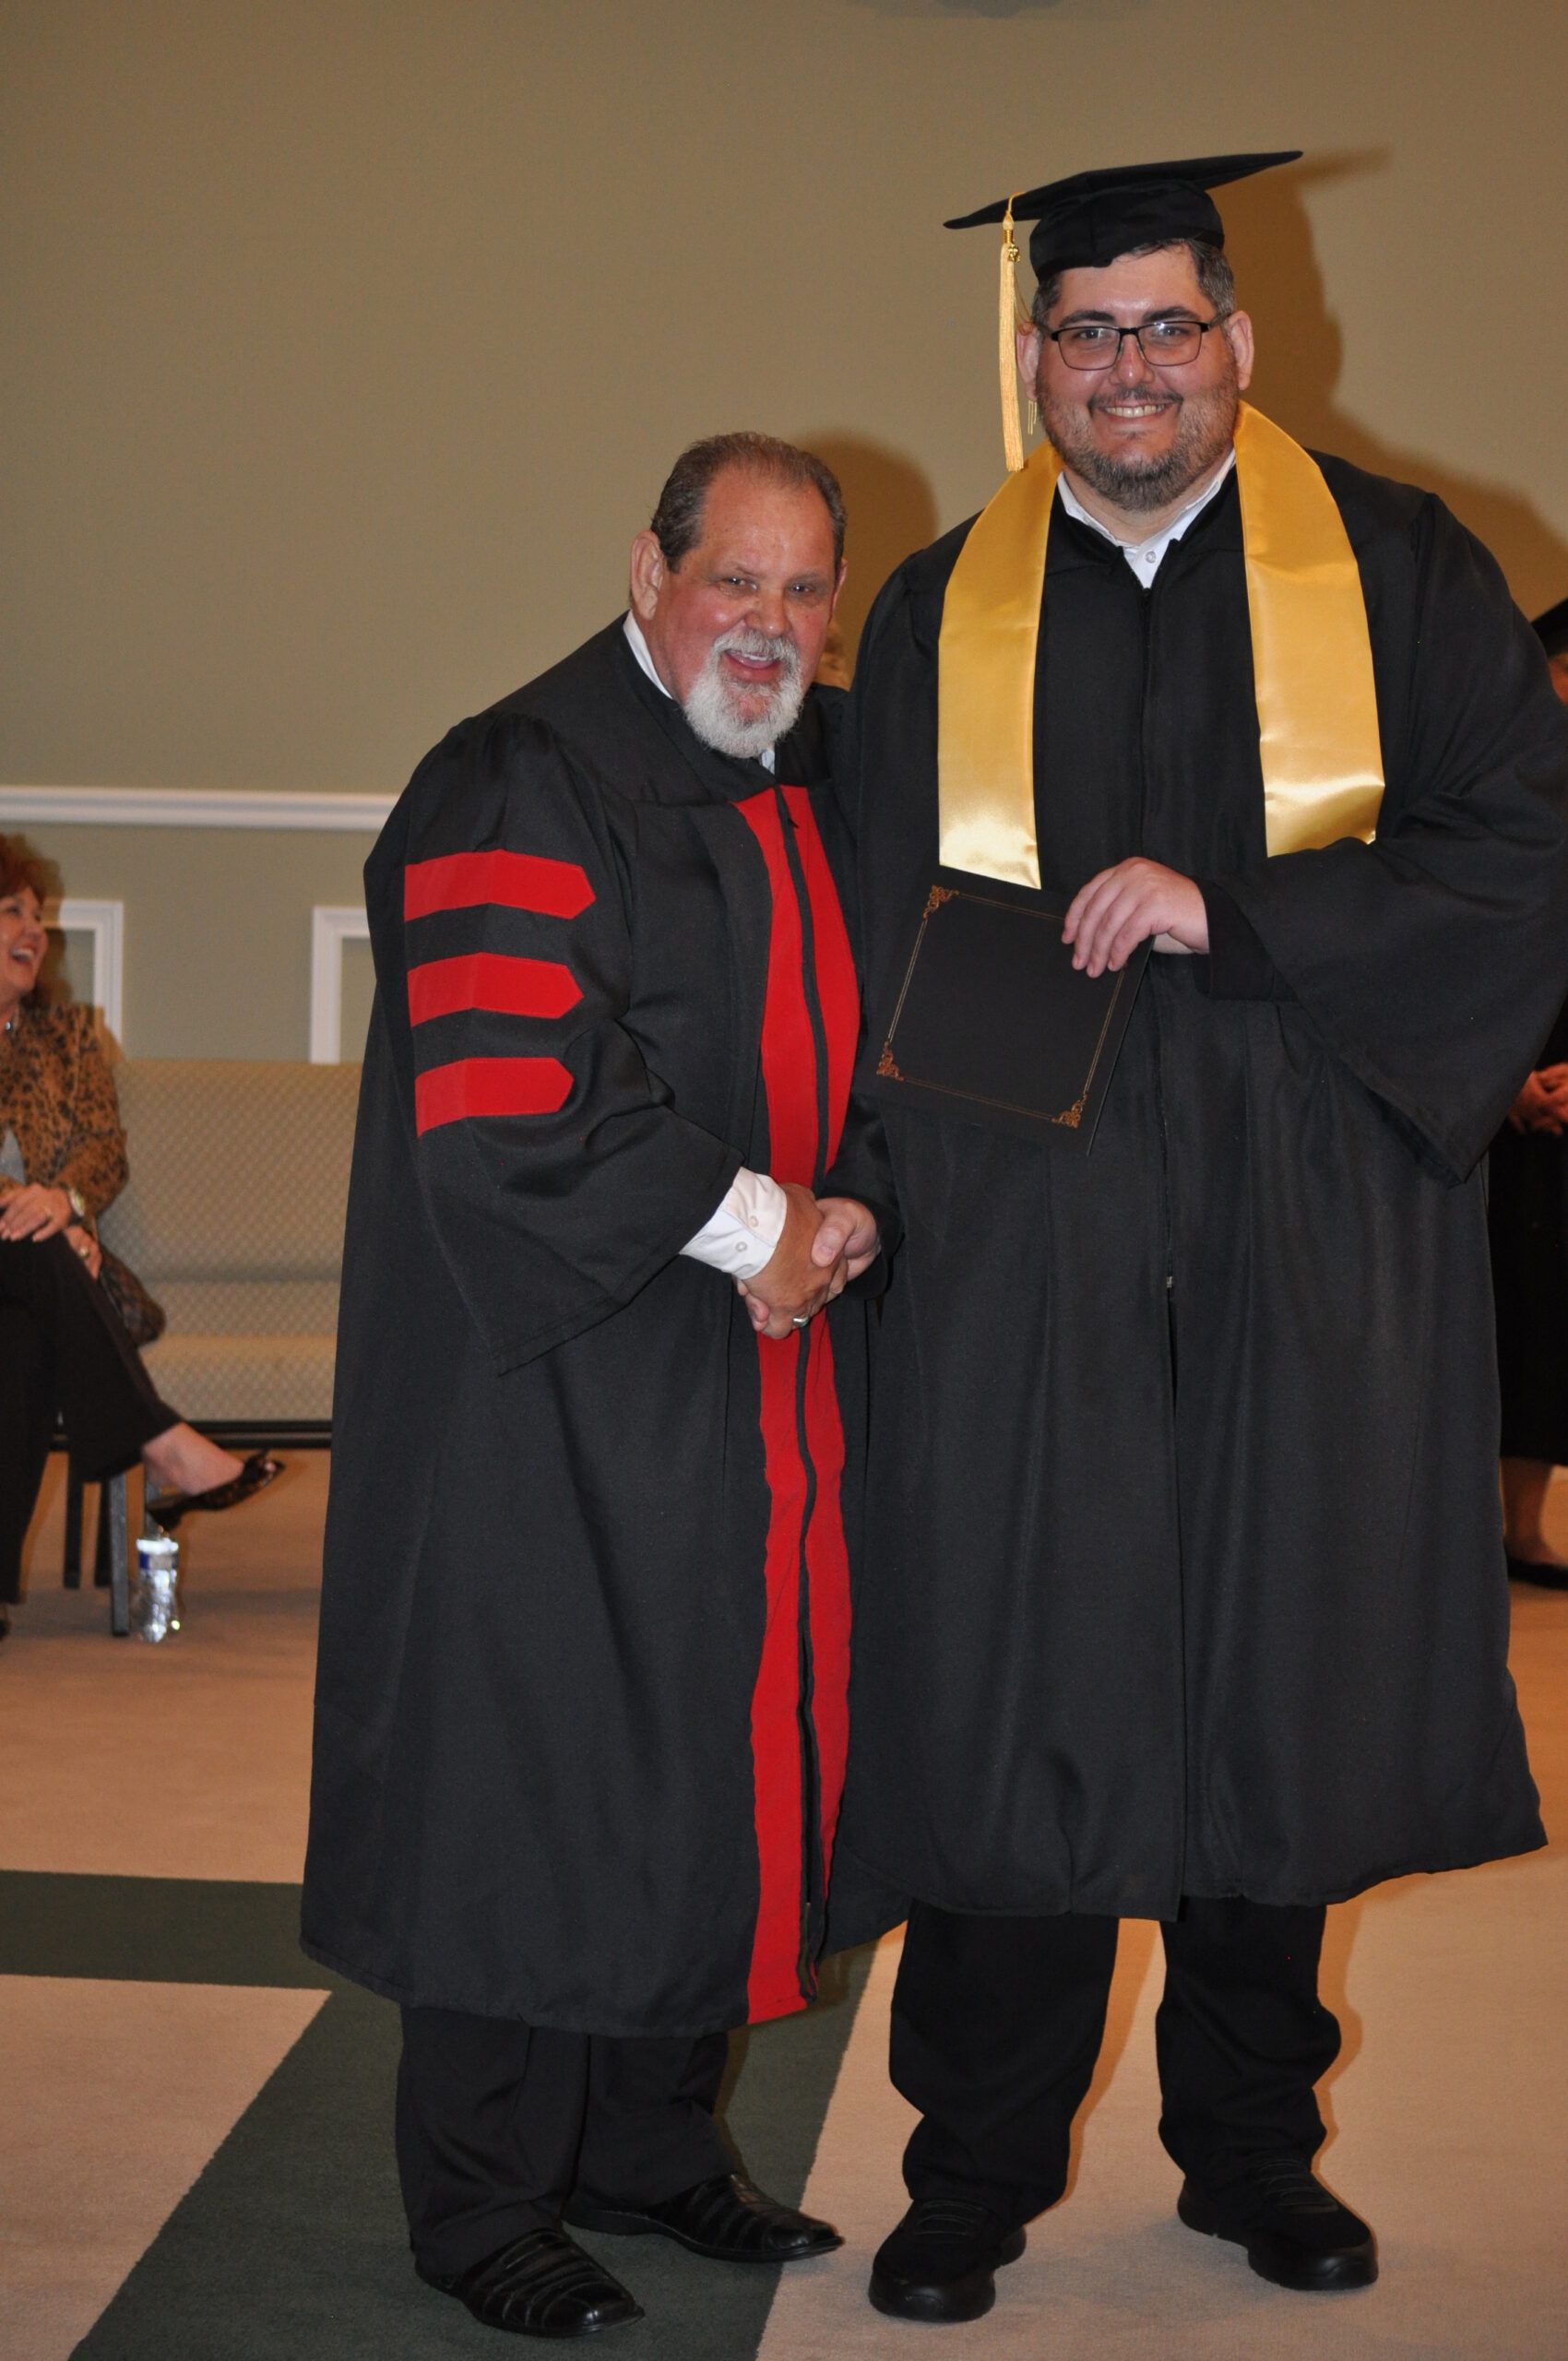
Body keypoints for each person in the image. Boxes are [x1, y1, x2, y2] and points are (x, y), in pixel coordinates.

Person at [823, 154, 1568, 2320]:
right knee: (1006, 1683)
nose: (1126, 368)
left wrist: (1228, 911)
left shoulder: (1403, 575)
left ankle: (1249, 2146)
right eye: (1084, 330)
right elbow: (871, 927)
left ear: (1238, 343)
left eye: (1164, 327)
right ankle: (964, 2165)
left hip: (1302, 1210)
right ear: (1030, 356)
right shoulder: (936, 599)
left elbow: (1515, 856)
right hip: (1015, 1234)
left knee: (1276, 1684)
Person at [302, 434, 885, 2342]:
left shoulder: (809, 765)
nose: (772, 625)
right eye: (738, 579)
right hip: (538, 1379)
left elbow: (866, 1031)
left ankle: (651, 2146)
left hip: (745, 1374)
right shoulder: (518, 773)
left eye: (808, 589)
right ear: (646, 568)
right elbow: (508, 1099)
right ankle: (481, 2201)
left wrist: (857, 1203)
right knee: (529, 1765)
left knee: (704, 1754)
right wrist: (760, 1228)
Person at [0, 835, 280, 1636]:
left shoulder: (71, 1036)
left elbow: (103, 1150)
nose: (34, 930)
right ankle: (163, 1442)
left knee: (17, 1339)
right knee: (28, 1245)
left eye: (39, 916)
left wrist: (67, 1207)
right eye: (11, 910)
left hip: (47, 1277)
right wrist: (32, 1216)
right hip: (38, 1252)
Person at [1490, 595, 1568, 1582]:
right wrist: (1502, 1078)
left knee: (1553, 1311)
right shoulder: (1487, 801)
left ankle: (1524, 1520)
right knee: (1492, 1306)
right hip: (1477, 1089)